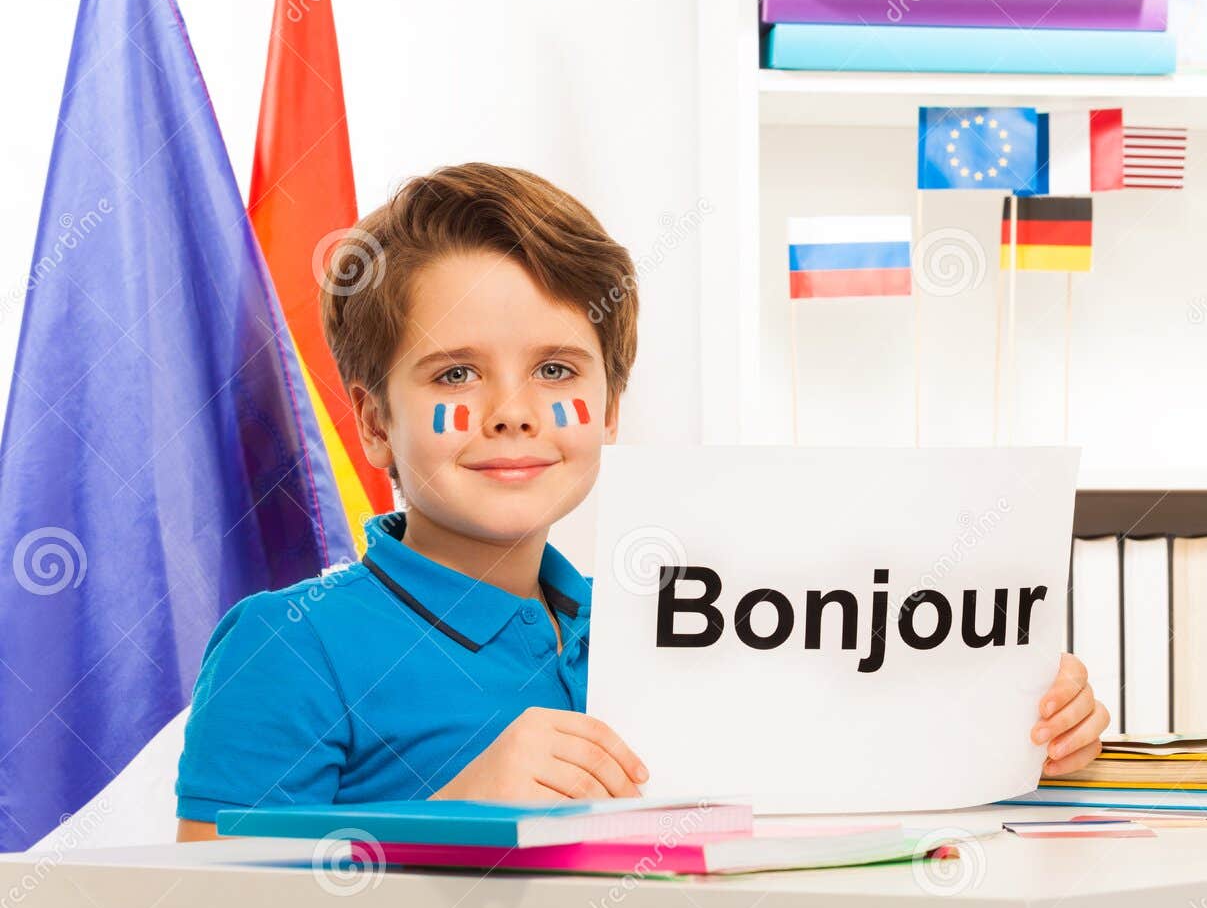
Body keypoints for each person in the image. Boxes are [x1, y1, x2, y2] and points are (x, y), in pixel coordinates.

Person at [175, 164, 1108, 840]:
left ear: (611, 408)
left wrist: (1009, 732)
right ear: (376, 425)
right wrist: (455, 817)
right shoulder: (288, 642)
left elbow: (835, 796)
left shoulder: (674, 624)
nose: (511, 413)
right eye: (456, 372)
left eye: (555, 371)